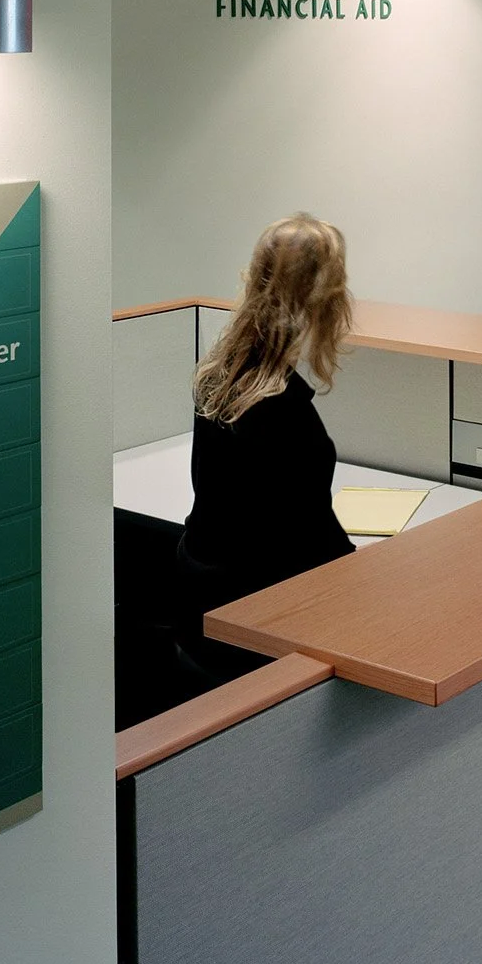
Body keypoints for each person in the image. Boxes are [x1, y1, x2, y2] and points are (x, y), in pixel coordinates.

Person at [175, 213, 355, 677]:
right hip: (264, 622)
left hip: (209, 599)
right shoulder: (284, 412)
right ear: (327, 302)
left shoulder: (219, 376)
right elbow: (313, 542)